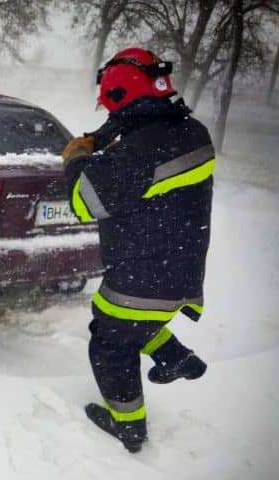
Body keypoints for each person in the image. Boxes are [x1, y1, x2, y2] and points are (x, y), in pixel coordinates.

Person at [62, 47, 214, 453]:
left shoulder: (139, 152)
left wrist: (77, 157)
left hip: (142, 273)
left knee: (109, 342)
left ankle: (127, 425)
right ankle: (177, 358)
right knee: (127, 324)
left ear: (119, 98)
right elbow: (142, 131)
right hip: (178, 268)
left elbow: (84, 200)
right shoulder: (190, 132)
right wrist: (103, 137)